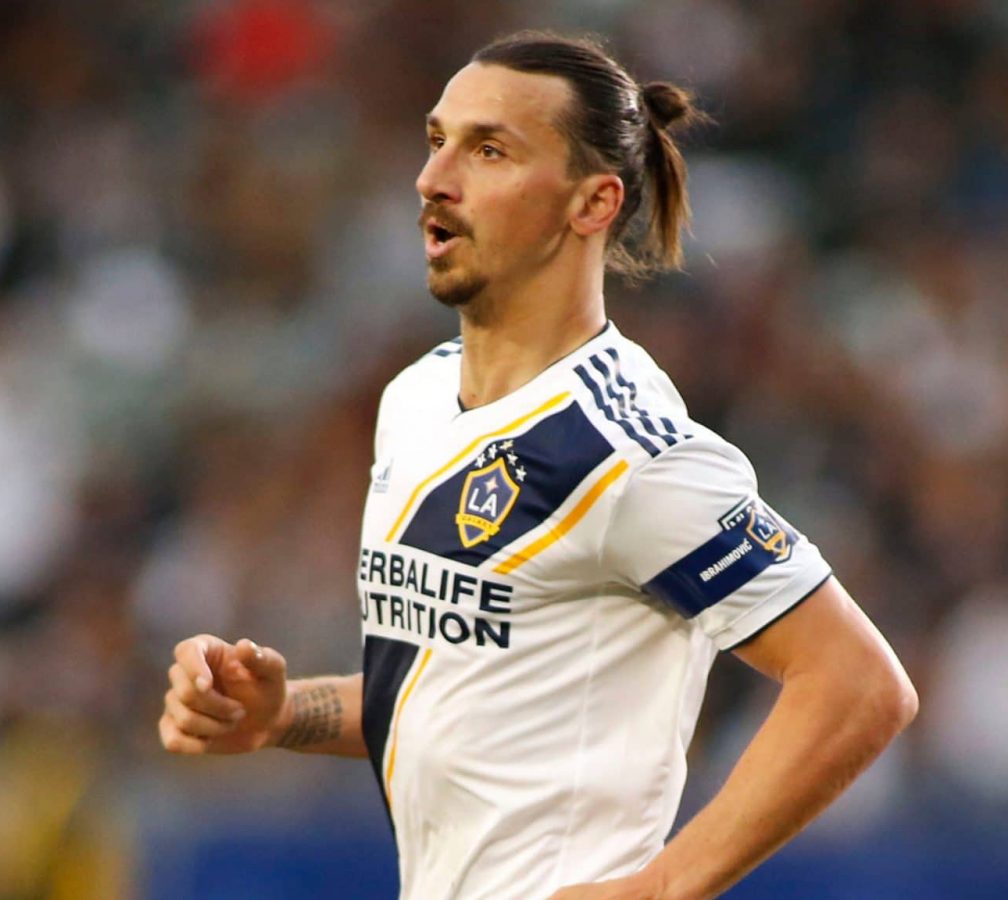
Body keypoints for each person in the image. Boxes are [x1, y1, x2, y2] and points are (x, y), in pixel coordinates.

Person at [157, 31, 917, 900]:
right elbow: (462, 689)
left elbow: (859, 685)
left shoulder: (627, 454)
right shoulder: (417, 396)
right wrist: (286, 714)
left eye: (489, 150)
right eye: (437, 140)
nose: (434, 178)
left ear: (593, 202)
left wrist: (664, 885)